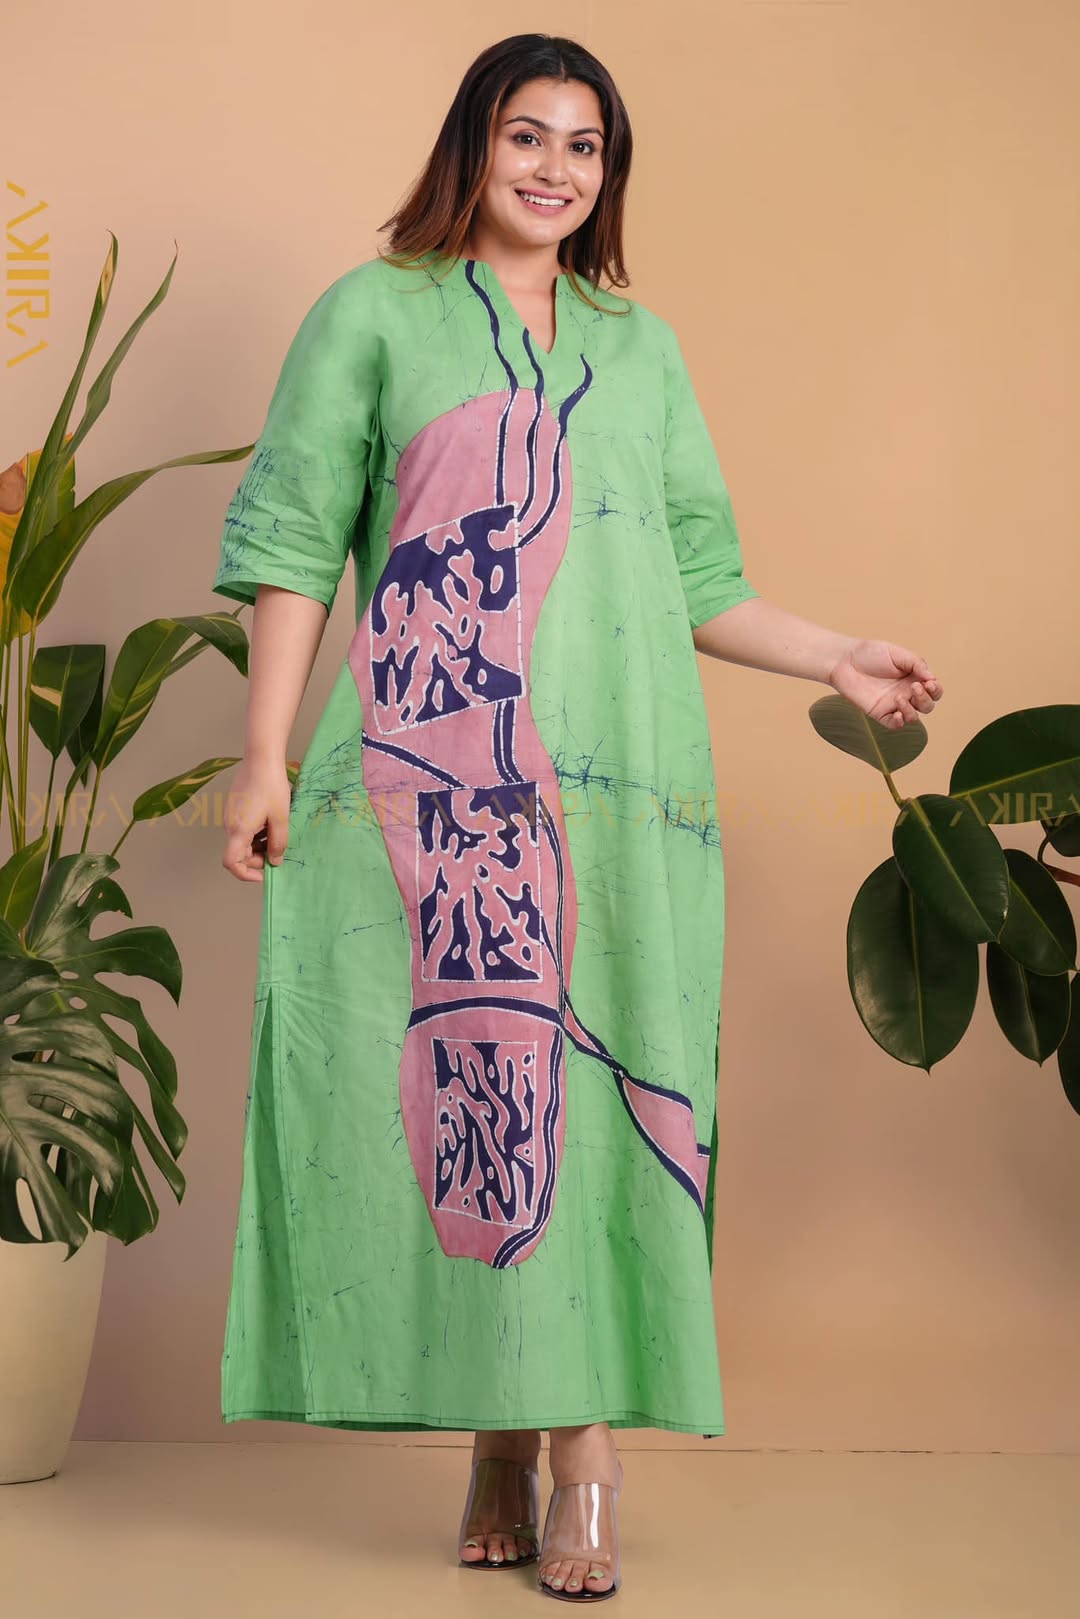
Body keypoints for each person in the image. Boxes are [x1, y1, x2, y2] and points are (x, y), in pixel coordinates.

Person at [213, 32, 943, 1604]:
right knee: (477, 1079)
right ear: (472, 146)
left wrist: (837, 654)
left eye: (585, 145)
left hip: (622, 799)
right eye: (526, 135)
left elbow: (698, 576)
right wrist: (264, 755)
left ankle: (552, 1443)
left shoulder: (642, 347)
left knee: (594, 1097)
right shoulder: (372, 314)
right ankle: (542, 1442)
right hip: (433, 797)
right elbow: (291, 540)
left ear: (610, 173)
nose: (554, 168)